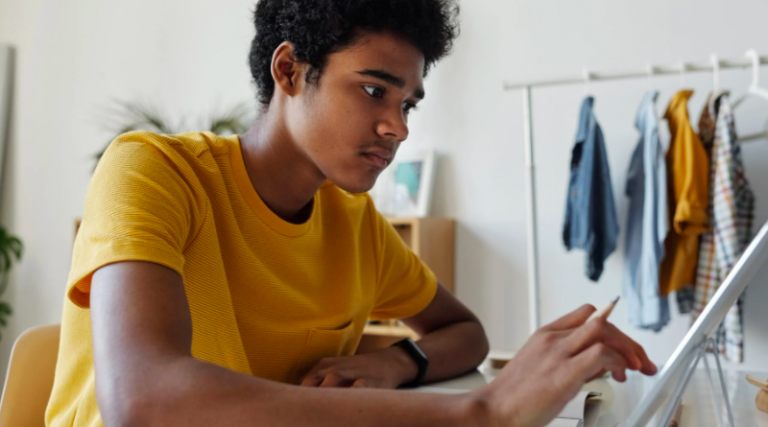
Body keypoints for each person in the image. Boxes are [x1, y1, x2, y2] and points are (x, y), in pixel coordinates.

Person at [45, 1, 657, 426]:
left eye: (408, 104)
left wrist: (392, 364)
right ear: (289, 71)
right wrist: (482, 412)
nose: (397, 128)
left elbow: (465, 333)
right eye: (373, 90)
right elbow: (143, 401)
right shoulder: (154, 171)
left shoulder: (353, 221)